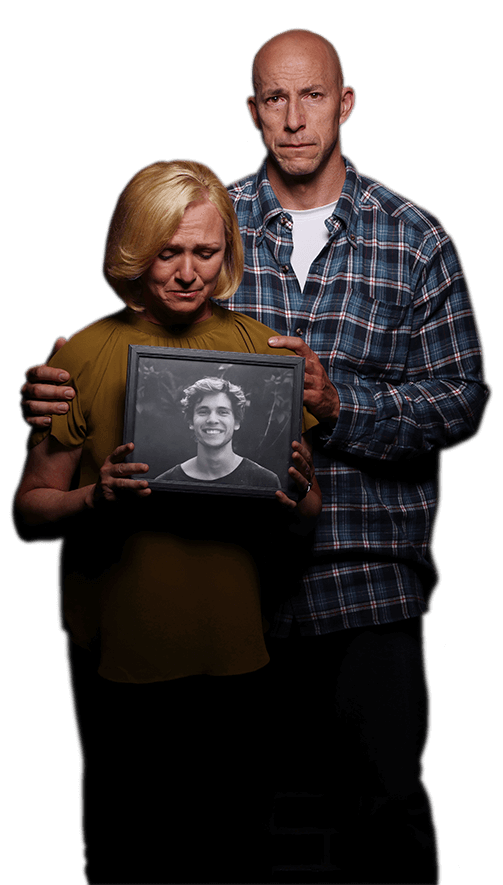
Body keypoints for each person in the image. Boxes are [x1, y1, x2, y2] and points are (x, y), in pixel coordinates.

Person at [19, 29, 491, 885]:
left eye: (312, 96)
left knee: (382, 812)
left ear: (344, 104)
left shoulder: (414, 239)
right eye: (274, 98)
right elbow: (122, 349)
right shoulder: (206, 217)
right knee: (238, 831)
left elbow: (460, 401)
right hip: (235, 593)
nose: (294, 116)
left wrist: (339, 405)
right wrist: (49, 400)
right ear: (252, 111)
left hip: (366, 580)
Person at [14, 158, 321, 885]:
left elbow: (306, 513)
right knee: (129, 851)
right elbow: (30, 507)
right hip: (120, 656)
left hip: (238, 653)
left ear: (226, 254)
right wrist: (95, 498)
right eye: (166, 251)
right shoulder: (82, 354)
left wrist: (299, 495)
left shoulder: (263, 351)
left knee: (233, 850)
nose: (187, 272)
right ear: (133, 250)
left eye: (204, 252)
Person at [154, 375, 281, 487]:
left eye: (222, 412)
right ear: (191, 422)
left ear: (237, 421)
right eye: (203, 412)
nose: (212, 420)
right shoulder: (165, 483)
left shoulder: (265, 482)